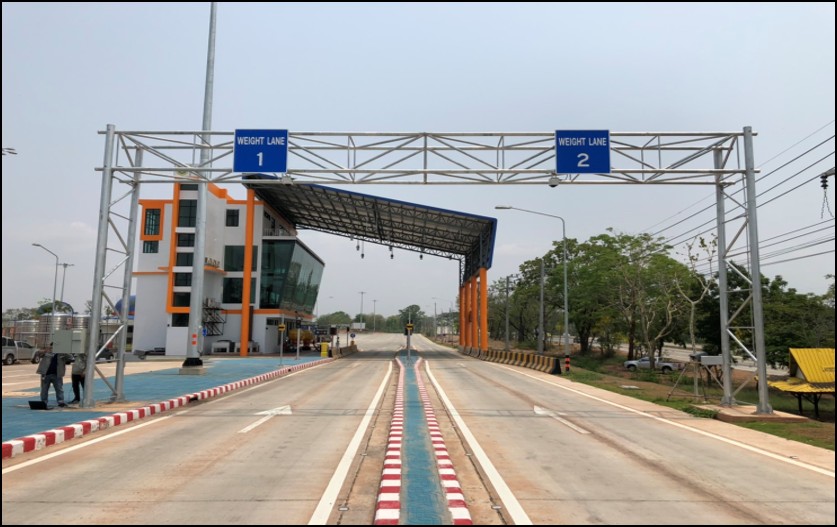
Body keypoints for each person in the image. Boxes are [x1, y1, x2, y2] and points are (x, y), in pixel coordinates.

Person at [36, 343, 68, 408]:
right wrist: (46, 350)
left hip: (57, 374)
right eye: (52, 347)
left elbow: (70, 357)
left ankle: (60, 401)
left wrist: (64, 351)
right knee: (44, 389)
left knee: (59, 388)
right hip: (46, 374)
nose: (53, 348)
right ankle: (44, 401)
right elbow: (38, 353)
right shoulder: (47, 353)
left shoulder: (61, 354)